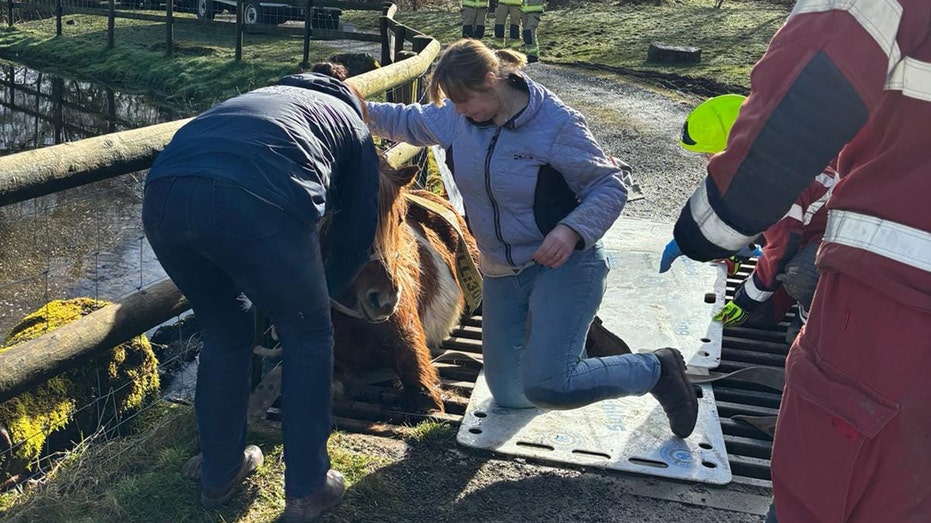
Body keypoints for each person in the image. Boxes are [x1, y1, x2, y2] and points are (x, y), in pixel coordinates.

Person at [660, 1, 931, 521]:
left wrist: (719, 254)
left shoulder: (794, 181)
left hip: (890, 314)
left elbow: (775, 240)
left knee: (828, 484)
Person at [364, 38, 699, 438]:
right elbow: (403, 119)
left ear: (492, 80)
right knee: (509, 394)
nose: (457, 110)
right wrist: (346, 101)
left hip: (564, 263)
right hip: (502, 272)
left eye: (464, 100)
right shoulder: (460, 118)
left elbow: (610, 186)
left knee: (549, 385)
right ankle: (570, 338)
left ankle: (656, 368)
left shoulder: (555, 124)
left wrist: (571, 230)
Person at [142, 68, 381, 522]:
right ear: (353, 98)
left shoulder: (261, 96)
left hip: (163, 198)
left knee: (224, 333)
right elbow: (356, 234)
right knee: (309, 337)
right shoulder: (350, 122)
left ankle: (220, 473)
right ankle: (310, 488)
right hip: (257, 200)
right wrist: (321, 295)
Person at [667, 94, 840, 343]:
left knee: (796, 280)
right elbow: (747, 216)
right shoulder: (769, 152)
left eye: (709, 154)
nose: (707, 162)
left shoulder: (780, 183)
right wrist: (736, 251)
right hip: (806, 227)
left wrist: (745, 302)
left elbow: (781, 249)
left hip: (834, 238)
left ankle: (811, 319)